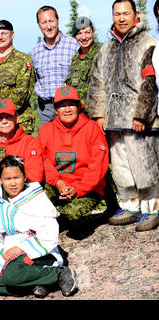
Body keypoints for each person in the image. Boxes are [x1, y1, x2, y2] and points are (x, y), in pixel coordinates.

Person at [87, 0, 158, 232]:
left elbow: (151, 82)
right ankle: (130, 205)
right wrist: (98, 114)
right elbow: (97, 82)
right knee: (120, 166)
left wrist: (142, 115)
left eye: (126, 13)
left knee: (144, 166)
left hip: (140, 122)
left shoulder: (148, 43)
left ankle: (153, 209)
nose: (121, 18)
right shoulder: (106, 48)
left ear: (135, 14)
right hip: (114, 120)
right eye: (117, 14)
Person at [0, 155, 78, 298]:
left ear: (24, 176)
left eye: (17, 177)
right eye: (7, 179)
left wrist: (20, 248)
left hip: (37, 250)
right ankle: (34, 285)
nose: (12, 183)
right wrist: (2, 253)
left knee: (11, 275)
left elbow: (49, 234)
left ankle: (59, 273)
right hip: (9, 251)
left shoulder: (36, 198)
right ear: (0, 179)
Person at [37, 86, 109, 236]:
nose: (67, 109)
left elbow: (98, 167)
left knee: (74, 216)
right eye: (62, 106)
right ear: (56, 110)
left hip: (87, 189)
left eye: (71, 104)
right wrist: (57, 182)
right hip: (59, 186)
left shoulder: (92, 128)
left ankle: (82, 220)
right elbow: (43, 160)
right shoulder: (46, 130)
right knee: (36, 199)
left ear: (79, 106)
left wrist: (78, 188)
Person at [31, 6, 80, 126]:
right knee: (47, 144)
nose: (48, 26)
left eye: (51, 21)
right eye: (44, 22)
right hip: (46, 110)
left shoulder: (73, 45)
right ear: (39, 25)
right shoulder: (35, 51)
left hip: (68, 107)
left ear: (58, 21)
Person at [64, 17, 102, 112]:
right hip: (78, 113)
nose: (84, 37)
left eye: (87, 32)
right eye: (79, 33)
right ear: (74, 36)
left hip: (96, 113)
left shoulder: (102, 53)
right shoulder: (75, 58)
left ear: (93, 33)